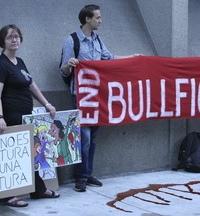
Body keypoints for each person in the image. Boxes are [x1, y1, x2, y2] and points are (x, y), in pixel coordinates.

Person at [60, 4, 140, 192]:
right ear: (87, 19)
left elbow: (109, 58)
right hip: (80, 96)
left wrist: (132, 58)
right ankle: (80, 177)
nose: (100, 21)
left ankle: (87, 174)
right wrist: (69, 65)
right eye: (98, 17)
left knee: (93, 137)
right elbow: (62, 70)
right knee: (84, 137)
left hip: (97, 97)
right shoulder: (72, 41)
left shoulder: (97, 40)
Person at [0, 24, 60, 207]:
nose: (14, 40)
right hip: (11, 116)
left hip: (26, 116)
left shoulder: (19, 62)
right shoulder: (1, 64)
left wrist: (47, 104)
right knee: (13, 155)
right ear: (3, 41)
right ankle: (6, 197)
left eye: (17, 37)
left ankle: (37, 190)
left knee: (31, 153)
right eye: (10, 37)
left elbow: (31, 85)